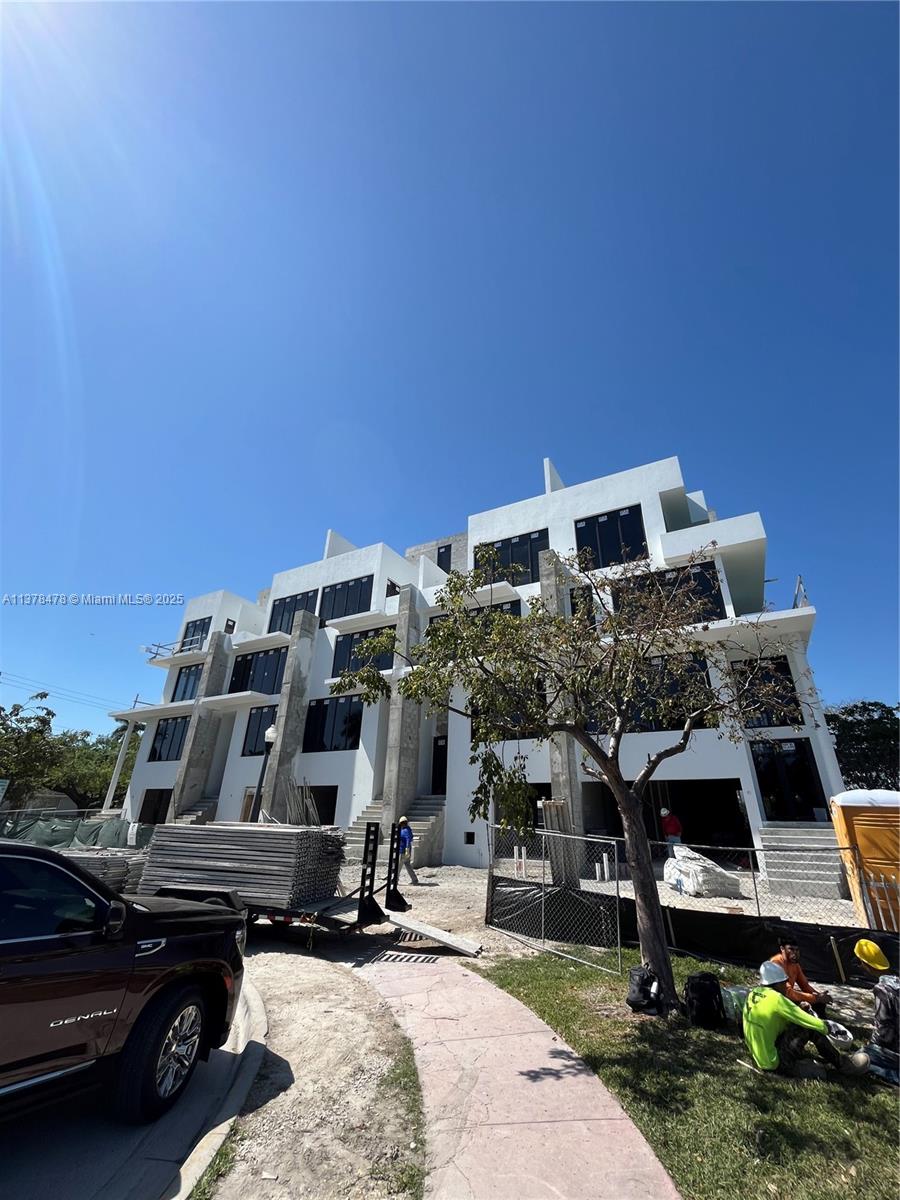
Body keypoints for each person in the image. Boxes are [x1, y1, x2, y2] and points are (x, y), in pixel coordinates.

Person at [743, 960, 868, 1079]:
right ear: (776, 984)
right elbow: (804, 1019)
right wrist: (825, 1027)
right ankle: (843, 1065)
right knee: (810, 1026)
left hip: (760, 1056)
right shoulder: (776, 999)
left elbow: (774, 1018)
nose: (786, 987)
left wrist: (798, 1009)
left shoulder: (753, 993)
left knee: (800, 1024)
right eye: (783, 983)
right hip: (775, 1063)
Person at [853, 939, 899, 1086]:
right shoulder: (897, 982)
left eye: (860, 962)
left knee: (860, 1058)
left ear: (866, 964)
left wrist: (872, 1045)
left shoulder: (882, 990)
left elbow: (885, 1030)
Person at [770, 940, 832, 1017]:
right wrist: (815, 998)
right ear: (782, 949)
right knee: (805, 1006)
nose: (795, 953)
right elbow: (787, 993)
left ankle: (821, 1022)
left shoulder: (795, 964)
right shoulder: (776, 963)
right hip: (776, 999)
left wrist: (820, 996)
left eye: (797, 950)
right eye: (791, 949)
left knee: (819, 1003)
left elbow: (805, 986)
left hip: (786, 997)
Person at [397, 816, 419, 886]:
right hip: (405, 849)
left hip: (403, 850)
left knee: (398, 865)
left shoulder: (405, 831)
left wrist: (407, 849)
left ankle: (395, 880)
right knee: (407, 864)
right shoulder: (407, 830)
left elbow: (408, 840)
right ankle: (414, 879)